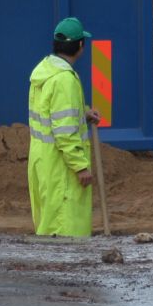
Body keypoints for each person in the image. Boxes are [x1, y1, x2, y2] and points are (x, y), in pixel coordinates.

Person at [27, 17, 101, 238]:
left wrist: (83, 113)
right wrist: (80, 166)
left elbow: (52, 115)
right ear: (80, 45)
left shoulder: (44, 72)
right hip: (62, 167)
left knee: (48, 225)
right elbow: (65, 132)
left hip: (43, 161)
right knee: (64, 230)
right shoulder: (64, 81)